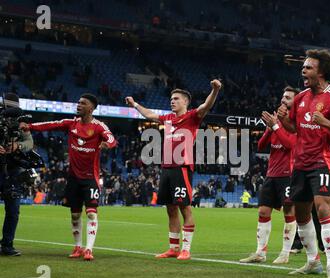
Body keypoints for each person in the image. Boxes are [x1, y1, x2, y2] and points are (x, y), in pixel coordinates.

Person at [277, 49, 330, 278]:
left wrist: (326, 122)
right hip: (300, 162)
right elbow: (294, 129)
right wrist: (283, 120)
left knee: (322, 208)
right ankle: (313, 262)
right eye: (304, 67)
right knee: (302, 214)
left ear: (321, 73)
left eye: (308, 67)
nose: (304, 70)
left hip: (322, 161)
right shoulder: (300, 98)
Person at [125, 79, 222, 260]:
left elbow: (206, 105)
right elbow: (150, 115)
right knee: (170, 209)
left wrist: (215, 90)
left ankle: (186, 249)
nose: (172, 101)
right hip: (167, 168)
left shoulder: (193, 116)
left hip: (182, 167)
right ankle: (173, 248)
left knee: (185, 208)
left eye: (176, 99)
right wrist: (135, 104)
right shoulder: (168, 119)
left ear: (185, 101)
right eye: (171, 98)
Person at [21, 93, 117, 261]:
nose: (78, 105)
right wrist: (30, 126)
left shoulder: (99, 126)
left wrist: (107, 144)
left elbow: (112, 139)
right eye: (78, 102)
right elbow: (50, 124)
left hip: (90, 178)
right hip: (73, 178)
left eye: (83, 103)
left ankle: (89, 249)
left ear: (91, 108)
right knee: (74, 215)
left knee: (92, 213)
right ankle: (78, 247)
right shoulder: (70, 123)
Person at [240, 86, 298, 265]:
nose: (283, 100)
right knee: (263, 211)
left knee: (289, 211)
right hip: (271, 174)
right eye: (282, 97)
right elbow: (261, 146)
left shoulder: (296, 123)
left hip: (288, 174)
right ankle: (260, 253)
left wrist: (276, 126)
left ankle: (285, 253)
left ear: (295, 102)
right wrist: (269, 128)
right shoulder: (276, 123)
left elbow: (289, 145)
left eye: (288, 97)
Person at [0, 93, 34, 256]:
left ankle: (7, 245)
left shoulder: (21, 122)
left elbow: (29, 143)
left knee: (13, 210)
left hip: (13, 171)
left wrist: (17, 146)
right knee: (13, 210)